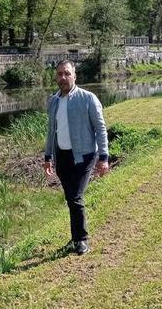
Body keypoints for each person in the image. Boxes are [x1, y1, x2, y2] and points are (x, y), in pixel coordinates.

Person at [42, 60, 109, 255]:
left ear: (74, 76)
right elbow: (50, 131)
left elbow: (100, 129)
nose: (63, 77)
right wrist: (48, 157)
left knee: (76, 197)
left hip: (84, 156)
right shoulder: (53, 101)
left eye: (67, 73)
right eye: (60, 74)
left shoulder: (88, 98)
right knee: (71, 199)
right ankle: (75, 237)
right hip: (62, 157)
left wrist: (103, 157)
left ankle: (81, 240)